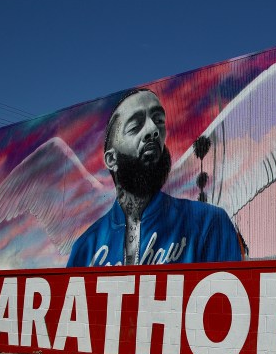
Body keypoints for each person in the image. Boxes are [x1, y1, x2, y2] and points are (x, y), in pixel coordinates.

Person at [67, 89, 243, 267]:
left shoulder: (209, 224)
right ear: (112, 159)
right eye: (135, 127)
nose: (153, 130)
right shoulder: (86, 248)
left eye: (158, 121)